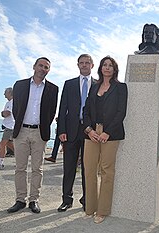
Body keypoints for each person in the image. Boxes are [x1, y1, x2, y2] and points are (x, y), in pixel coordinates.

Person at [7, 57, 58, 214]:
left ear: (48, 71)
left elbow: (51, 112)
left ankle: (34, 200)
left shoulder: (53, 89)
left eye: (46, 67)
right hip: (21, 131)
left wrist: (42, 127)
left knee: (38, 168)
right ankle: (20, 200)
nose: (43, 69)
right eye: (41, 65)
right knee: (20, 168)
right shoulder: (20, 85)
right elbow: (16, 109)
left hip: (39, 133)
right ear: (34, 66)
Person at [83, 56, 128, 224]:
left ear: (115, 69)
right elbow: (85, 110)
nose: (107, 68)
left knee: (107, 171)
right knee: (89, 170)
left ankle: (102, 210)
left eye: (110, 65)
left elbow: (121, 112)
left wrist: (107, 132)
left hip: (111, 133)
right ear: (100, 68)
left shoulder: (121, 88)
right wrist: (89, 130)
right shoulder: (94, 87)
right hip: (92, 132)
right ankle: (90, 208)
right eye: (105, 65)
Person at [56, 54, 95, 212]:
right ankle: (67, 200)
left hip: (89, 131)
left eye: (87, 63)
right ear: (77, 65)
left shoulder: (98, 84)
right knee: (69, 167)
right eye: (81, 63)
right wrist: (61, 130)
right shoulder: (69, 84)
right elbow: (63, 107)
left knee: (88, 167)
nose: (84, 65)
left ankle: (87, 200)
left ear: (92, 65)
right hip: (70, 131)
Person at [0, 87, 15, 170]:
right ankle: (20, 157)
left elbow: (7, 113)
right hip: (9, 126)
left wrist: (2, 113)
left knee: (2, 144)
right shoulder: (9, 102)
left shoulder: (11, 103)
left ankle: (1, 162)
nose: (4, 94)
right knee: (8, 144)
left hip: (10, 127)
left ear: (10, 93)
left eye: (5, 92)